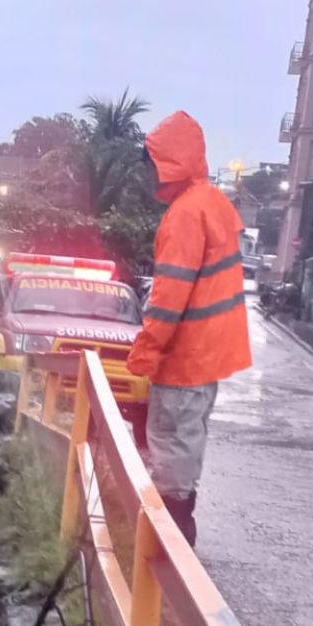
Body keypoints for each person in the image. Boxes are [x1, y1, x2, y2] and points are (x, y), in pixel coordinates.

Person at [127, 111, 252, 546]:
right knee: (187, 442)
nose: (149, 176)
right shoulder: (215, 204)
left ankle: (170, 542)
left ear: (171, 162)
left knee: (170, 443)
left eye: (153, 164)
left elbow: (168, 298)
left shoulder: (185, 214)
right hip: (206, 358)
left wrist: (144, 353)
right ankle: (179, 530)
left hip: (183, 358)